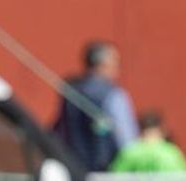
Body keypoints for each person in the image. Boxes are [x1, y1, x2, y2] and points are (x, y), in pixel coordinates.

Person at [53, 40, 138, 172]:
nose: (118, 68)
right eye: (115, 62)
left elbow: (58, 133)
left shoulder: (70, 93)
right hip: (107, 171)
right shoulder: (113, 95)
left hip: (74, 169)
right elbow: (127, 142)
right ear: (103, 64)